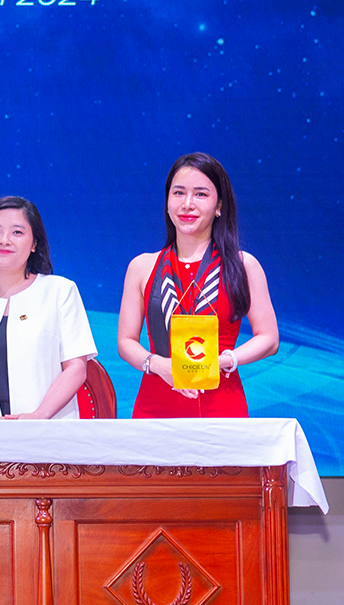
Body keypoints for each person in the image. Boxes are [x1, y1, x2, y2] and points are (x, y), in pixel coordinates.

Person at [118, 152, 280, 418]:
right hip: (156, 405)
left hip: (222, 404)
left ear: (219, 206)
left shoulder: (243, 265)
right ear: (167, 203)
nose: (188, 204)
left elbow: (269, 339)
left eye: (201, 194)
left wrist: (226, 361)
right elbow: (126, 341)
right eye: (179, 193)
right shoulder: (142, 267)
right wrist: (158, 365)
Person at [0, 196, 96, 420]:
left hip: (49, 431)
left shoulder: (60, 291)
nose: (4, 240)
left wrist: (39, 415)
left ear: (34, 244)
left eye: (17, 232)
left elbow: (76, 368)